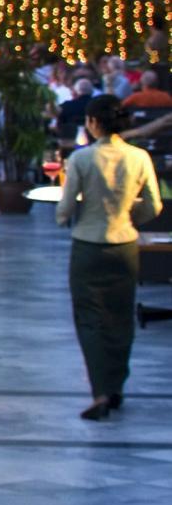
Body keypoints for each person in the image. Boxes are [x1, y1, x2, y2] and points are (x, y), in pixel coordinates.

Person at [59, 95, 163, 420]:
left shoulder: (82, 158)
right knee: (121, 318)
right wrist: (133, 218)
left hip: (88, 246)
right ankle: (116, 386)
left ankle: (100, 390)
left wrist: (62, 217)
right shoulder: (139, 157)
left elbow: (65, 208)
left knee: (90, 319)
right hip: (125, 245)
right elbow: (154, 205)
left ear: (92, 123)